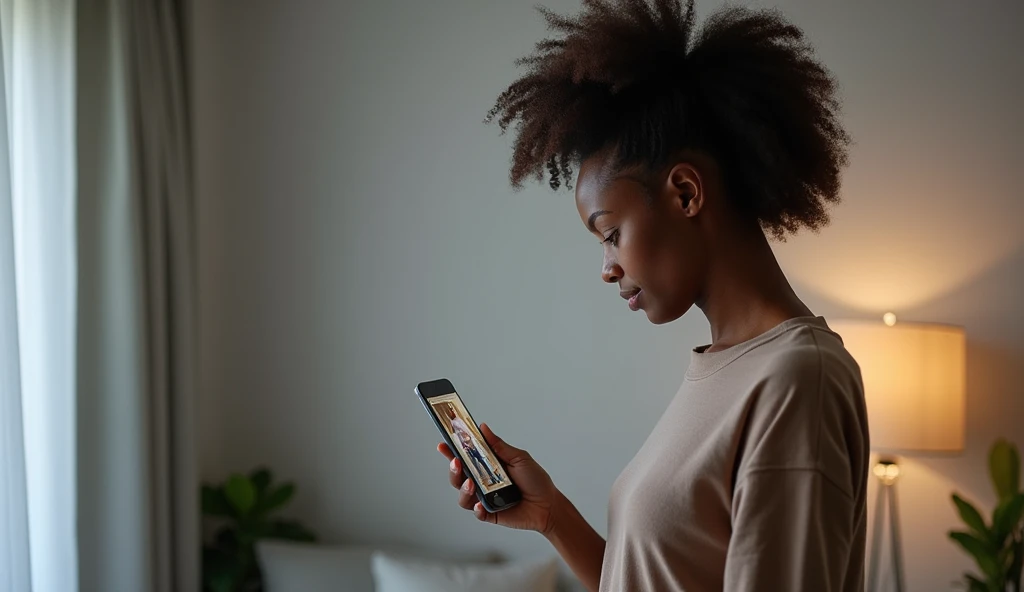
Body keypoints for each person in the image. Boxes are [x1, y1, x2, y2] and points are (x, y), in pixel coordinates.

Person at [435, 1, 869, 591]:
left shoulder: (797, 381)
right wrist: (552, 516)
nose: (607, 269)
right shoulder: (727, 369)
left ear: (686, 193)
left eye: (611, 234)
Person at [447, 404, 503, 486]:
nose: (453, 411)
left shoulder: (459, 421)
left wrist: (469, 441)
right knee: (477, 466)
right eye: (451, 410)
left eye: (453, 409)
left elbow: (466, 433)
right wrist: (465, 445)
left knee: (484, 462)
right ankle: (488, 480)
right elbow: (460, 435)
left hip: (473, 445)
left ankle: (495, 477)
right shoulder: (453, 423)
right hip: (468, 448)